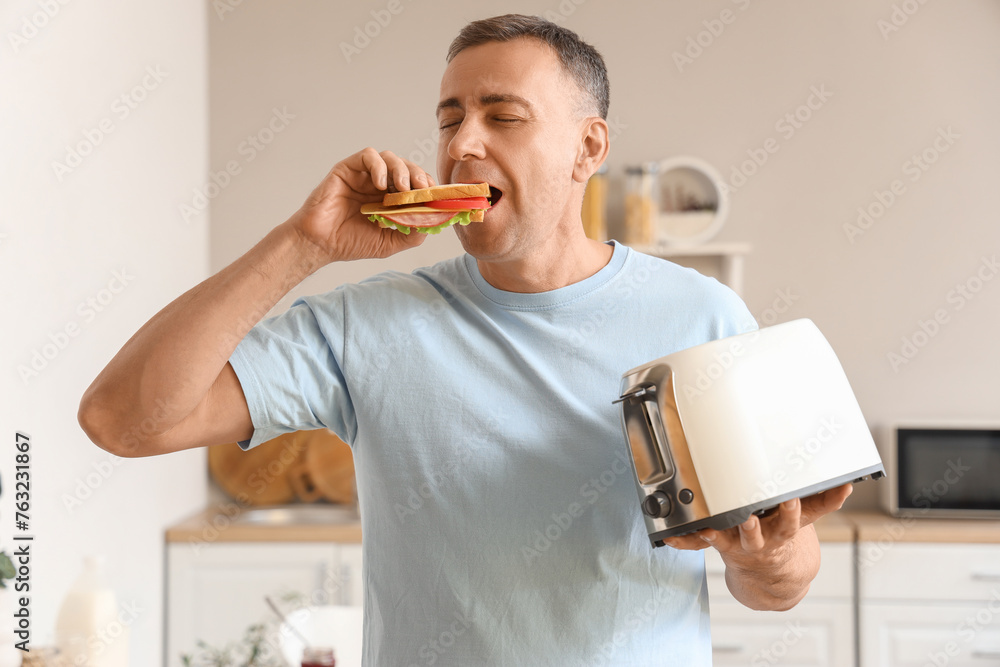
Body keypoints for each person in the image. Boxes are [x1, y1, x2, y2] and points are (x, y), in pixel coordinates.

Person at [79, 14, 851, 666]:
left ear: (589, 147)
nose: (463, 144)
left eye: (502, 116)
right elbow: (122, 419)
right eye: (450, 118)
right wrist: (303, 244)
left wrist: (769, 556)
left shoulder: (701, 316)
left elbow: (780, 577)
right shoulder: (366, 324)